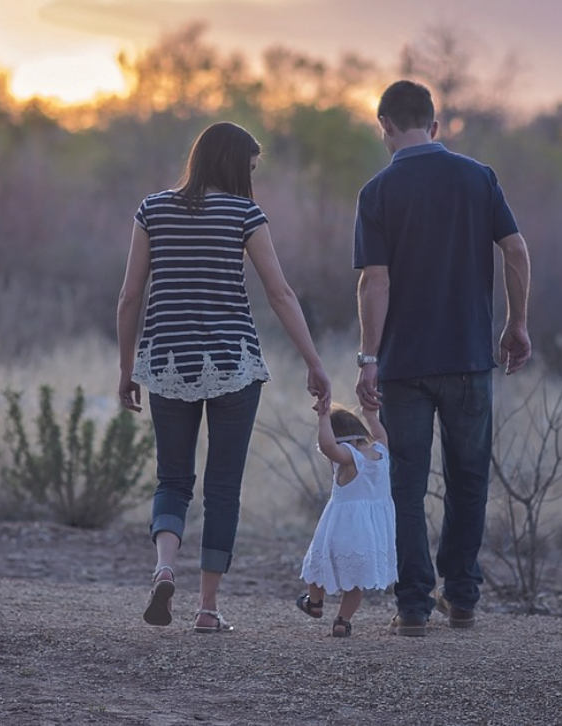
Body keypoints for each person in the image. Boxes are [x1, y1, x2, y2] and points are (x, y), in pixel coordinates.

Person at [117, 121, 330, 633]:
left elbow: (129, 297)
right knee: (223, 489)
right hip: (234, 364)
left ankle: (165, 566)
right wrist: (314, 362)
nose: (252, 178)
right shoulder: (244, 214)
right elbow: (280, 294)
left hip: (167, 363)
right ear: (235, 165)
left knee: (173, 479)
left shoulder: (152, 209)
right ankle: (207, 609)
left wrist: (127, 369)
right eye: (251, 168)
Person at [352, 80, 532, 636]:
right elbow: (516, 250)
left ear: (383, 125)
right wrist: (517, 322)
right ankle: (462, 596)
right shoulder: (479, 178)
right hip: (470, 358)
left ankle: (412, 606)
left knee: (406, 483)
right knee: (469, 478)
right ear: (435, 125)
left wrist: (368, 357)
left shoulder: (377, 191)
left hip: (404, 365)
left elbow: (373, 282)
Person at [296, 403, 397, 637]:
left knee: (317, 564)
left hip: (342, 528)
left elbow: (327, 445)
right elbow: (381, 434)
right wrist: (371, 415)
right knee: (356, 580)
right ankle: (342, 621)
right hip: (371, 532)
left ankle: (315, 602)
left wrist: (323, 418)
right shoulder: (381, 452)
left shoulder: (349, 457)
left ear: (341, 438)